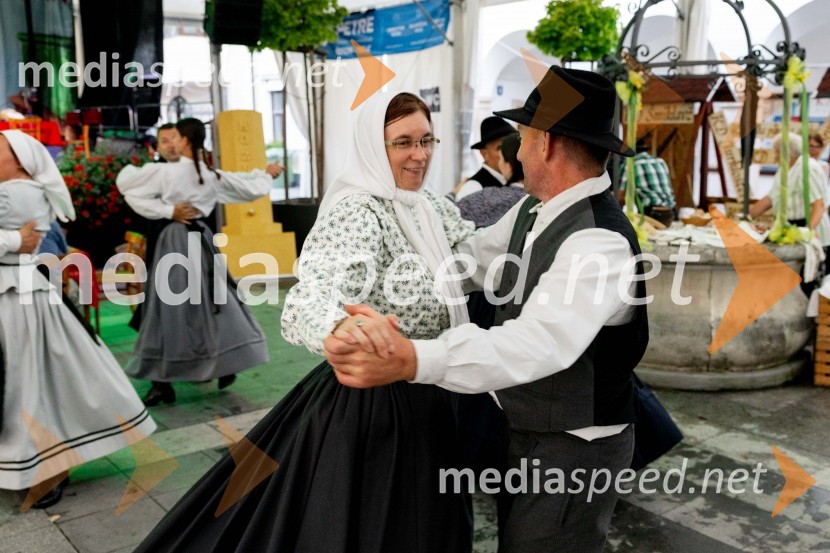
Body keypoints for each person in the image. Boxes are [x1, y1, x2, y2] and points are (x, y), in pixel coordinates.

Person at [132, 92, 475, 553]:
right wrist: (341, 329)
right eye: (403, 143)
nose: (420, 155)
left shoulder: (427, 204)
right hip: (381, 405)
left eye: (427, 140)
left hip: (429, 387)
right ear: (375, 146)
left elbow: (472, 249)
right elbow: (308, 299)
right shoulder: (359, 211)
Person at [327, 66, 648, 553]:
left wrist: (415, 358)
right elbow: (470, 262)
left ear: (549, 144)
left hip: (575, 446)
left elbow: (537, 342)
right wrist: (390, 259)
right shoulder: (533, 209)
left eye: (523, 135)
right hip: (529, 428)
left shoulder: (598, 241)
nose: (516, 149)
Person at [0, 130, 156, 508]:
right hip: (21, 298)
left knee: (28, 388)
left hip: (20, 303)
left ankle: (43, 468)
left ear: (21, 162)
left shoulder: (18, 192)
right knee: (36, 386)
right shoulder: (21, 191)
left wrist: (9, 243)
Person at [116, 118, 281, 406]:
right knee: (215, 302)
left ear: (186, 141)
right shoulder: (208, 174)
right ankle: (223, 362)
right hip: (201, 239)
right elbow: (246, 187)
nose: (172, 142)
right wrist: (266, 174)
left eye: (176, 137)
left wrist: (167, 211)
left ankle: (162, 381)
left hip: (175, 241)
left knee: (169, 308)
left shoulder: (166, 174)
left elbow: (126, 185)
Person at [457, 132, 526, 229]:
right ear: (484, 153)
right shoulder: (473, 186)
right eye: (498, 148)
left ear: (508, 165)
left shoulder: (487, 195)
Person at [453, 116, 516, 200]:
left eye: (510, 146)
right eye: (500, 148)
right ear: (484, 154)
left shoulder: (515, 181)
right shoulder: (474, 188)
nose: (508, 152)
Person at [618, 135, 676, 218]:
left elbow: (621, 196)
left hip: (651, 212)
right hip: (671, 211)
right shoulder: (661, 161)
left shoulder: (630, 165)